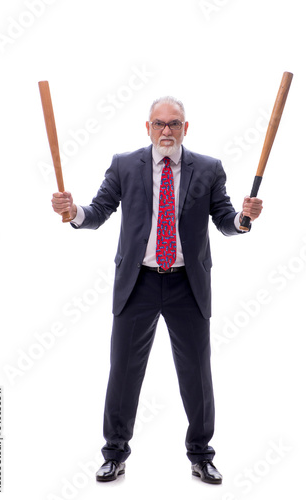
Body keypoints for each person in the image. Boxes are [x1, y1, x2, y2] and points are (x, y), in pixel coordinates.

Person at [51, 96, 263, 485]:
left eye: (175, 124)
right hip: (138, 283)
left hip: (188, 283)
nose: (167, 131)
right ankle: (114, 454)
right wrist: (73, 211)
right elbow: (97, 213)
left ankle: (201, 455)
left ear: (186, 128)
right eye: (159, 124)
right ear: (147, 127)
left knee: (197, 372)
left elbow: (225, 220)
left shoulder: (209, 169)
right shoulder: (125, 165)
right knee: (124, 371)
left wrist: (244, 219)